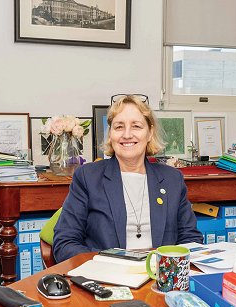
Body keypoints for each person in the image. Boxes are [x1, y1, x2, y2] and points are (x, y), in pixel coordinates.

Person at [52, 94, 203, 263]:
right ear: (110, 134)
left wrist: (167, 270)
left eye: (136, 126)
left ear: (150, 133)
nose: (127, 134)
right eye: (119, 127)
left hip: (160, 278)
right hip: (105, 278)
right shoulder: (88, 177)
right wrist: (108, 266)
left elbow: (191, 240)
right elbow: (65, 243)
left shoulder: (172, 179)